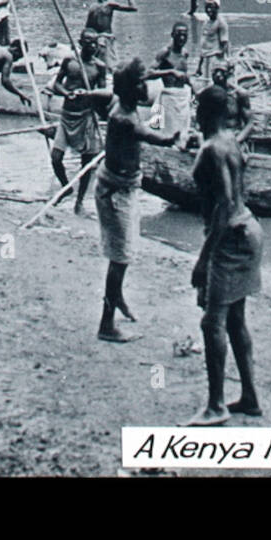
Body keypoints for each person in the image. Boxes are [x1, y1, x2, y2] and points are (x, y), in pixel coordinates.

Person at [186, 85, 265, 425]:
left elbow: (221, 207)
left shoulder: (211, 150)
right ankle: (249, 396)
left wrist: (203, 261)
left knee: (212, 322)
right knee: (235, 319)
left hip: (229, 235)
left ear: (204, 112)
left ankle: (216, 405)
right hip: (248, 230)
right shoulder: (232, 140)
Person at [95, 59, 179, 342]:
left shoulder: (122, 104)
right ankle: (106, 325)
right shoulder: (124, 118)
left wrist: (164, 73)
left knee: (124, 252)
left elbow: (145, 77)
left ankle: (115, 298)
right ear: (131, 89)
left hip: (120, 188)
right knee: (120, 257)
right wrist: (175, 138)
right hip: (116, 192)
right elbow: (153, 136)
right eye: (141, 83)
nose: (146, 86)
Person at [50, 29, 112, 216]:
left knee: (87, 162)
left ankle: (79, 202)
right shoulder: (70, 61)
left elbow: (103, 94)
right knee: (55, 158)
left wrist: (89, 95)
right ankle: (66, 187)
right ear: (80, 43)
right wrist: (66, 93)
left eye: (95, 43)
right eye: (88, 42)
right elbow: (56, 84)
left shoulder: (99, 66)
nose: (92, 46)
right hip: (67, 115)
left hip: (86, 116)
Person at [148, 22, 193, 148]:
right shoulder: (165, 52)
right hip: (168, 97)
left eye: (185, 35)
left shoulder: (185, 53)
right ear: (172, 35)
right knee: (167, 134)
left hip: (183, 98)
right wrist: (170, 72)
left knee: (183, 133)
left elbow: (185, 76)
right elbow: (148, 73)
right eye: (179, 35)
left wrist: (194, 90)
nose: (182, 38)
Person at [84, 0, 136, 65]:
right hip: (106, 40)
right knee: (110, 64)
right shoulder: (110, 5)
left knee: (99, 62)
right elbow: (133, 8)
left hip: (97, 39)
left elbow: (87, 28)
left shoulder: (93, 7)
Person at [209, 61, 253, 142]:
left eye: (222, 71)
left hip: (232, 136)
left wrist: (236, 141)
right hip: (212, 138)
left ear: (229, 73)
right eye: (215, 71)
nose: (218, 75)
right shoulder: (207, 94)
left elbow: (249, 124)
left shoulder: (239, 94)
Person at [192, 0, 230, 78]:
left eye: (211, 7)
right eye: (207, 7)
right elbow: (203, 45)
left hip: (214, 59)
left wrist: (223, 62)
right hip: (205, 58)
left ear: (217, 8)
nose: (209, 10)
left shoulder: (221, 23)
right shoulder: (206, 22)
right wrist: (199, 67)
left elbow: (225, 44)